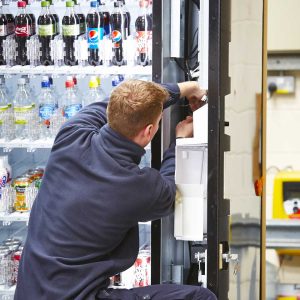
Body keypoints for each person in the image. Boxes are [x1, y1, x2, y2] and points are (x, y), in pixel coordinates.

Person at [15, 80, 216, 300]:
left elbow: (118, 103)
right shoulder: (136, 186)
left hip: (29, 291)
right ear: (149, 131)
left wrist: (185, 88)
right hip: (79, 296)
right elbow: (171, 189)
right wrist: (180, 139)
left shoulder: (71, 134)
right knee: (201, 297)